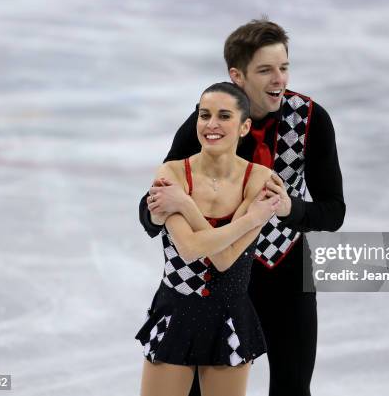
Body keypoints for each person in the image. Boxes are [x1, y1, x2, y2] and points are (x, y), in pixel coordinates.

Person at [139, 19, 345, 396]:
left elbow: (333, 212)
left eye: (284, 68)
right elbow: (154, 203)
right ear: (237, 76)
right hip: (218, 281)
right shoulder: (209, 123)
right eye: (265, 70)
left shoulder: (312, 119)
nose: (278, 79)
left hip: (284, 271)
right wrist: (157, 213)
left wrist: (288, 209)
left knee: (293, 387)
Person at [136, 82, 280, 396]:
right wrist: (248, 219)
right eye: (204, 115)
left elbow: (224, 259)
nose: (211, 124)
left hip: (229, 313)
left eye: (224, 116)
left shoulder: (259, 179)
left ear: (244, 126)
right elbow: (188, 249)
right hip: (176, 310)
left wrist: (185, 205)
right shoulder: (172, 173)